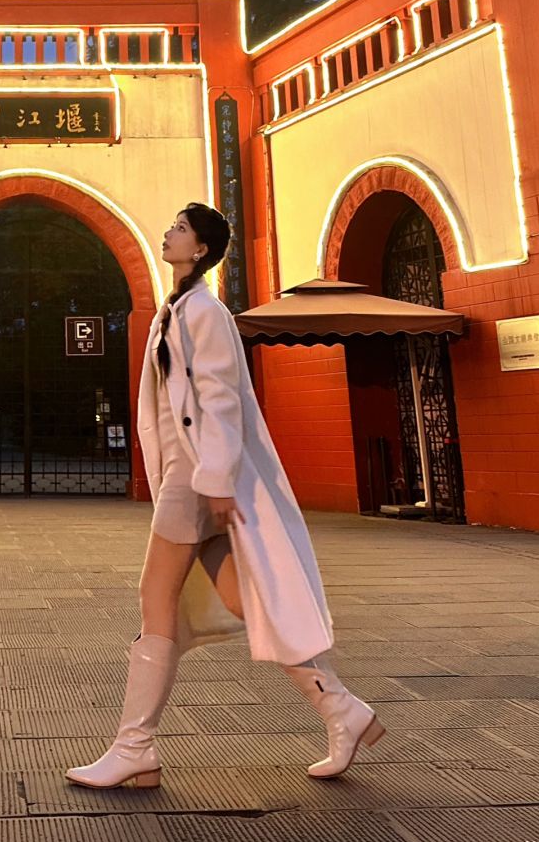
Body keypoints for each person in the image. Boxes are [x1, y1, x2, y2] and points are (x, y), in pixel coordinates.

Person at [66, 202, 384, 790]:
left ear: (202, 249)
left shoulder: (205, 312)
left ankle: (135, 747)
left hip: (198, 480)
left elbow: (221, 400)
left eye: (180, 228)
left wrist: (213, 481)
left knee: (155, 600)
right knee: (250, 601)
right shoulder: (179, 309)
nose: (168, 232)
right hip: (193, 479)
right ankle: (341, 709)